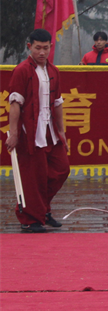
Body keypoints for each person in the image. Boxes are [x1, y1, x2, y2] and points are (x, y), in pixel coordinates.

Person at [5, 29, 70, 232]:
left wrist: (62, 131)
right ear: (29, 47)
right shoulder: (22, 70)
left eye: (46, 48)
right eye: (38, 48)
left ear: (51, 47)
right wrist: (14, 133)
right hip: (30, 132)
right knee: (34, 177)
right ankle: (30, 219)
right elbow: (15, 103)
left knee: (61, 169)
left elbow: (58, 103)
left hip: (50, 131)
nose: (42, 52)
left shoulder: (54, 71)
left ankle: (42, 209)